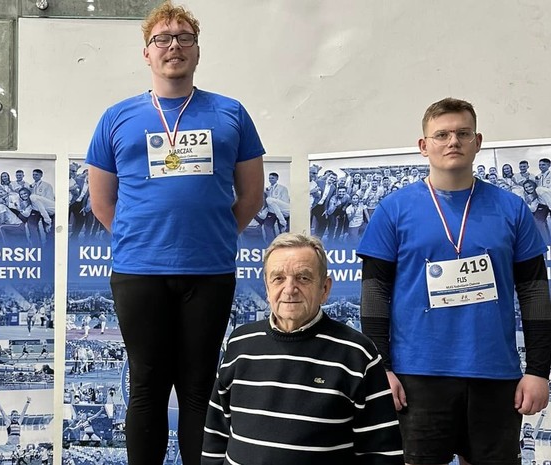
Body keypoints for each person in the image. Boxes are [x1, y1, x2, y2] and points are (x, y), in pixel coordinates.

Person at [84, 2, 264, 464]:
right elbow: (102, 203)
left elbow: (251, 196)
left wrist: (212, 235)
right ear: (146, 52)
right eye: (162, 38)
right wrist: (145, 239)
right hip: (139, 272)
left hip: (210, 269)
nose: (174, 46)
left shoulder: (231, 113)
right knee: (147, 385)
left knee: (199, 386)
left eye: (185, 37)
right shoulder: (116, 117)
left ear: (198, 50)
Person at [358, 97, 551, 465]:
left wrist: (539, 370)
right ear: (423, 145)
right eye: (442, 135)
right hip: (417, 376)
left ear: (477, 142)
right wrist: (381, 368)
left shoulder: (511, 209)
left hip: (494, 374)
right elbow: (375, 293)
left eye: (463, 133)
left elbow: (535, 292)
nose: (453, 142)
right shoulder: (393, 209)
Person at [202, 233, 403, 464]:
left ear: (325, 288)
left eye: (303, 278)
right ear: (267, 287)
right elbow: (216, 435)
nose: (290, 289)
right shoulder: (239, 344)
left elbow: (382, 454)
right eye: (278, 278)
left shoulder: (358, 354)